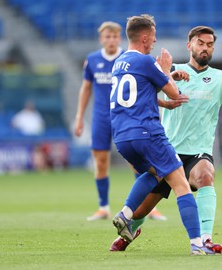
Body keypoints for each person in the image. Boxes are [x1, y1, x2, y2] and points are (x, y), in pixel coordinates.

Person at [110, 26, 222, 253]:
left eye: (209, 45)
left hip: (198, 152)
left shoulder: (220, 78)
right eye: (201, 43)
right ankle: (131, 230)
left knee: (206, 175)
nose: (205, 48)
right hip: (166, 149)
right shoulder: (168, 72)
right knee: (140, 211)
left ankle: (205, 239)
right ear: (190, 46)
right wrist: (168, 76)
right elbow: (141, 94)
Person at [109, 14, 214, 255]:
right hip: (148, 133)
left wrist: (163, 102)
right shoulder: (147, 62)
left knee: (153, 173)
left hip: (123, 137)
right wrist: (166, 70)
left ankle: (126, 214)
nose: (155, 42)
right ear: (144, 38)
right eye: (154, 37)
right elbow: (176, 93)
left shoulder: (120, 63)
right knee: (181, 185)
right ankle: (197, 244)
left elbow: (136, 94)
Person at [73, 21, 167, 222]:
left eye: (114, 36)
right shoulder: (92, 60)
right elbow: (86, 88)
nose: (111, 40)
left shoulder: (128, 59)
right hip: (101, 117)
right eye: (107, 36)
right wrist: (79, 117)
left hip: (127, 117)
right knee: (100, 161)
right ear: (101, 39)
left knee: (137, 163)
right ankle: (103, 207)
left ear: (120, 38)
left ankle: (146, 206)